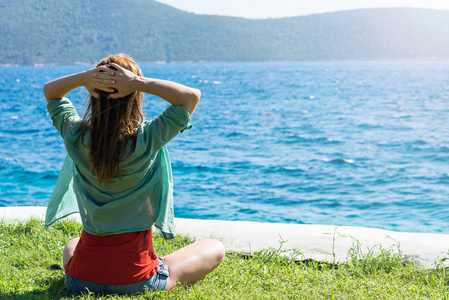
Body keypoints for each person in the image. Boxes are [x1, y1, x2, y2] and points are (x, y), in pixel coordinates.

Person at [43, 54, 225, 294]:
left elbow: (51, 92)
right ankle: (144, 265)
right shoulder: (147, 138)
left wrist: (85, 77)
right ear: (134, 97)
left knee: (72, 244)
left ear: (93, 92)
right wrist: (138, 82)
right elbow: (190, 97)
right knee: (215, 248)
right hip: (136, 280)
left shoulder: (76, 136)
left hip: (80, 280)